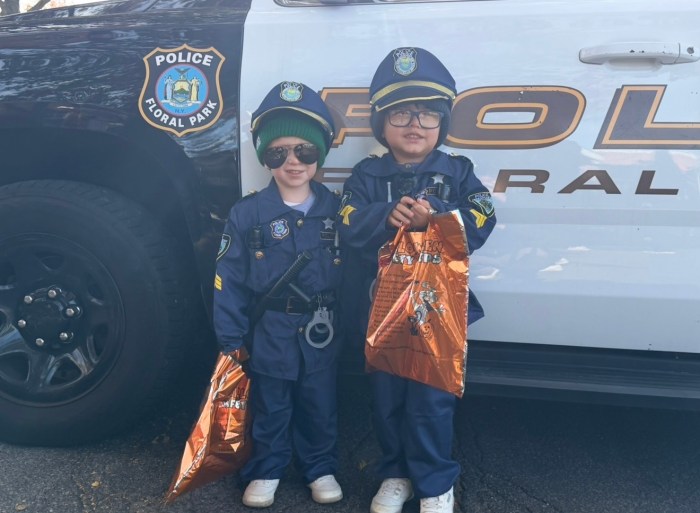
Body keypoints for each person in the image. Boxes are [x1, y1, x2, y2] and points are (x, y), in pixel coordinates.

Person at [337, 47, 497, 513]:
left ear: (442, 126)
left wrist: (442, 219)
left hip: (437, 313)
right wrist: (385, 215)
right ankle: (396, 473)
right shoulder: (367, 175)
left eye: (429, 114)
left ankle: (435, 482)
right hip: (382, 311)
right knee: (385, 398)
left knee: (432, 398)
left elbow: (485, 217)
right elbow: (347, 221)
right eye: (402, 112)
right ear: (382, 124)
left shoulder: (459, 171)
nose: (415, 124)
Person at [213, 80, 343, 508]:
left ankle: (319, 467)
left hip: (323, 330)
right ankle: (267, 468)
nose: (293, 161)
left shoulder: (338, 210)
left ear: (320, 154)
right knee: (271, 405)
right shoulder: (247, 213)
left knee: (319, 405)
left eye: (304, 150)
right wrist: (230, 339)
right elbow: (228, 277)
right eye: (278, 152)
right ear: (265, 157)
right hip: (270, 330)